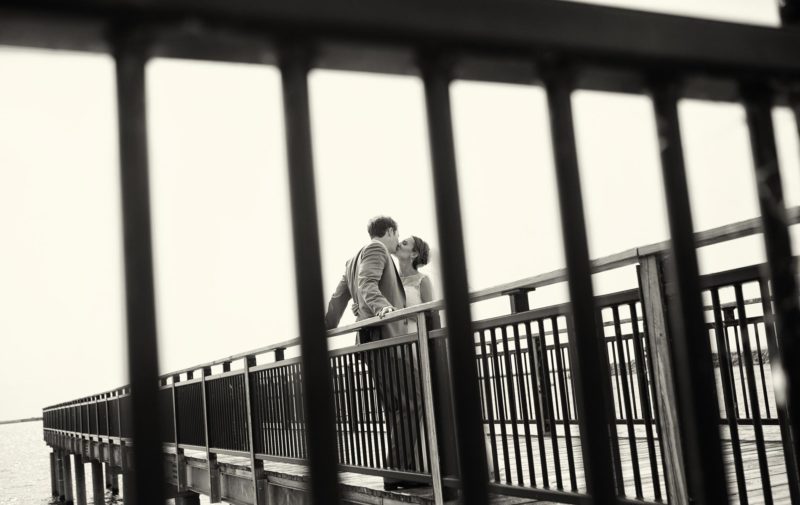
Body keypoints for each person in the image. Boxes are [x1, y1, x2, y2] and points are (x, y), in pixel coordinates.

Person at [324, 216, 423, 490]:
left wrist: (324, 326)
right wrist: (383, 308)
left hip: (369, 342)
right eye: (397, 234)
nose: (396, 240)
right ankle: (395, 471)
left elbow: (337, 300)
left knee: (396, 406)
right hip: (384, 337)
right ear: (390, 231)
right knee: (414, 400)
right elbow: (368, 284)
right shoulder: (377, 250)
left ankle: (402, 471)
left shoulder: (350, 261)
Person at [395, 236, 433, 333]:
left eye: (404, 243)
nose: (398, 244)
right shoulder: (391, 279)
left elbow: (430, 316)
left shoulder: (423, 281)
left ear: (414, 253)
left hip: (416, 337)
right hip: (394, 340)